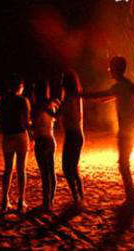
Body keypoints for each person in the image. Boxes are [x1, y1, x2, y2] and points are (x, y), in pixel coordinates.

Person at [82, 56, 134, 209]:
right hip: (131, 129)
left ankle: (132, 199)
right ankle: (131, 197)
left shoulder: (120, 86)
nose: (109, 70)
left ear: (115, 69)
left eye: (111, 68)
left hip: (127, 130)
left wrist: (80, 95)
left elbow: (101, 95)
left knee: (123, 164)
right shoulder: (125, 85)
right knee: (123, 163)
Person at [0, 76, 31, 212]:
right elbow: (27, 120)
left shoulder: (3, 101)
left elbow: (0, 119)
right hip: (21, 135)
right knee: (21, 169)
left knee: (8, 169)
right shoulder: (23, 101)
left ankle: (5, 199)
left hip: (8, 136)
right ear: (20, 87)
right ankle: (21, 200)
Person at [55, 71, 86, 208]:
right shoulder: (77, 96)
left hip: (72, 135)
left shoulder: (68, 98)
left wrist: (45, 106)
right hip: (78, 134)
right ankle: (80, 197)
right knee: (74, 167)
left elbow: (56, 115)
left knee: (67, 168)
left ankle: (77, 197)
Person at [31, 80, 59, 211]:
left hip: (41, 140)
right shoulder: (52, 104)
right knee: (51, 171)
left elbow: (35, 125)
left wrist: (27, 126)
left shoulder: (38, 107)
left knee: (45, 174)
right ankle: (50, 200)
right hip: (51, 138)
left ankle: (46, 203)